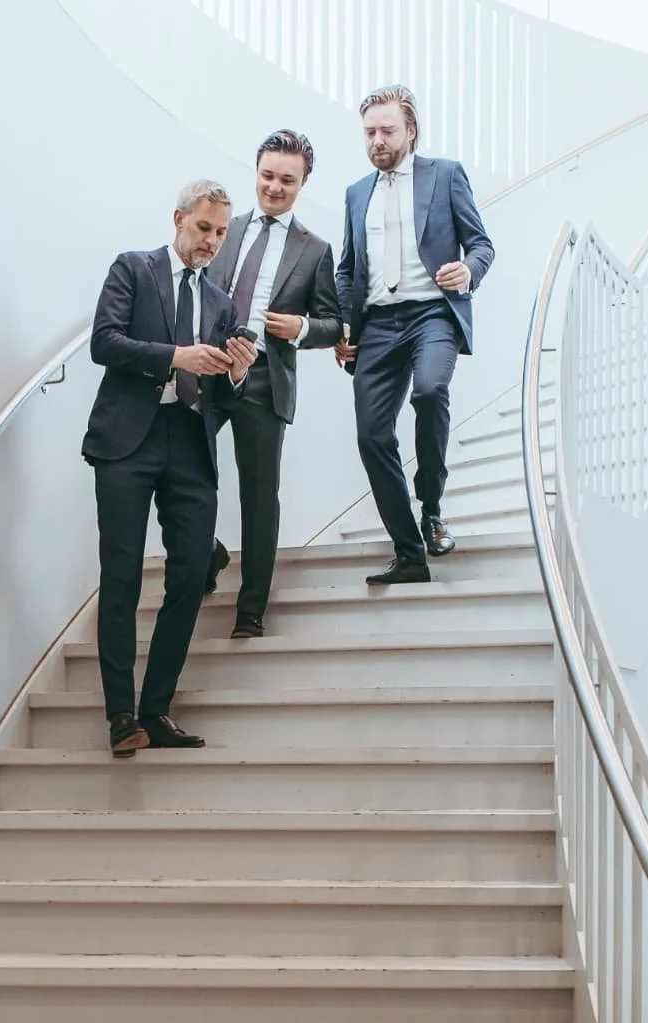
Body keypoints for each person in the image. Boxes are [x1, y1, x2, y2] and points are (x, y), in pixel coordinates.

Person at [82, 180, 257, 757]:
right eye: (203, 228)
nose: (210, 241)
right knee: (124, 574)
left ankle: (156, 708)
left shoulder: (222, 306)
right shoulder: (133, 270)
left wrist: (234, 373)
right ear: (179, 219)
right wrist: (176, 356)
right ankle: (120, 715)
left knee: (188, 575)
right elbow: (104, 343)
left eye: (221, 233)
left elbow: (226, 404)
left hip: (188, 442)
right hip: (128, 440)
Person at [335, 84, 495, 583]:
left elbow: (482, 245)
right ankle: (409, 553)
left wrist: (468, 272)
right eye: (369, 132)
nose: (377, 140)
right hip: (378, 323)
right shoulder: (355, 192)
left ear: (411, 132)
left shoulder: (444, 175)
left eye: (387, 130)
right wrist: (344, 322)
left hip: (432, 314)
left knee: (429, 391)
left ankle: (431, 506)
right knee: (371, 435)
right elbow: (347, 269)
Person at [205, 129, 343, 637]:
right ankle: (208, 557)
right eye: (267, 176)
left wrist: (302, 328)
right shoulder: (227, 229)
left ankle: (251, 608)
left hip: (264, 381)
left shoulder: (315, 249)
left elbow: (332, 322)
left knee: (259, 497)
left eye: (287, 179)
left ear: (303, 183)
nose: (275, 187)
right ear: (256, 172)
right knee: (180, 476)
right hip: (208, 367)